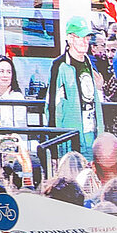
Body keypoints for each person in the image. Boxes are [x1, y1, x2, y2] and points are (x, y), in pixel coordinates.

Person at [47, 18, 104, 157]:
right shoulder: (59, 65)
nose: (85, 42)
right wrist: (55, 147)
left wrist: (101, 133)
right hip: (70, 139)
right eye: (81, 37)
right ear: (70, 38)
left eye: (87, 37)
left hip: (92, 136)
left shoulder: (88, 62)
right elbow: (53, 107)